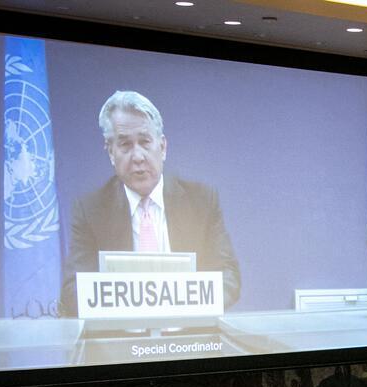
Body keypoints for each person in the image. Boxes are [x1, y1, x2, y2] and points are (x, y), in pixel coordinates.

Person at [62, 90, 239, 317]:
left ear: (162, 147)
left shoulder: (201, 201)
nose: (138, 156)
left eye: (145, 142)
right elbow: (72, 290)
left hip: (190, 335)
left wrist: (184, 305)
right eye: (125, 145)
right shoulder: (91, 210)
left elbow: (229, 277)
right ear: (111, 152)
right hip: (120, 336)